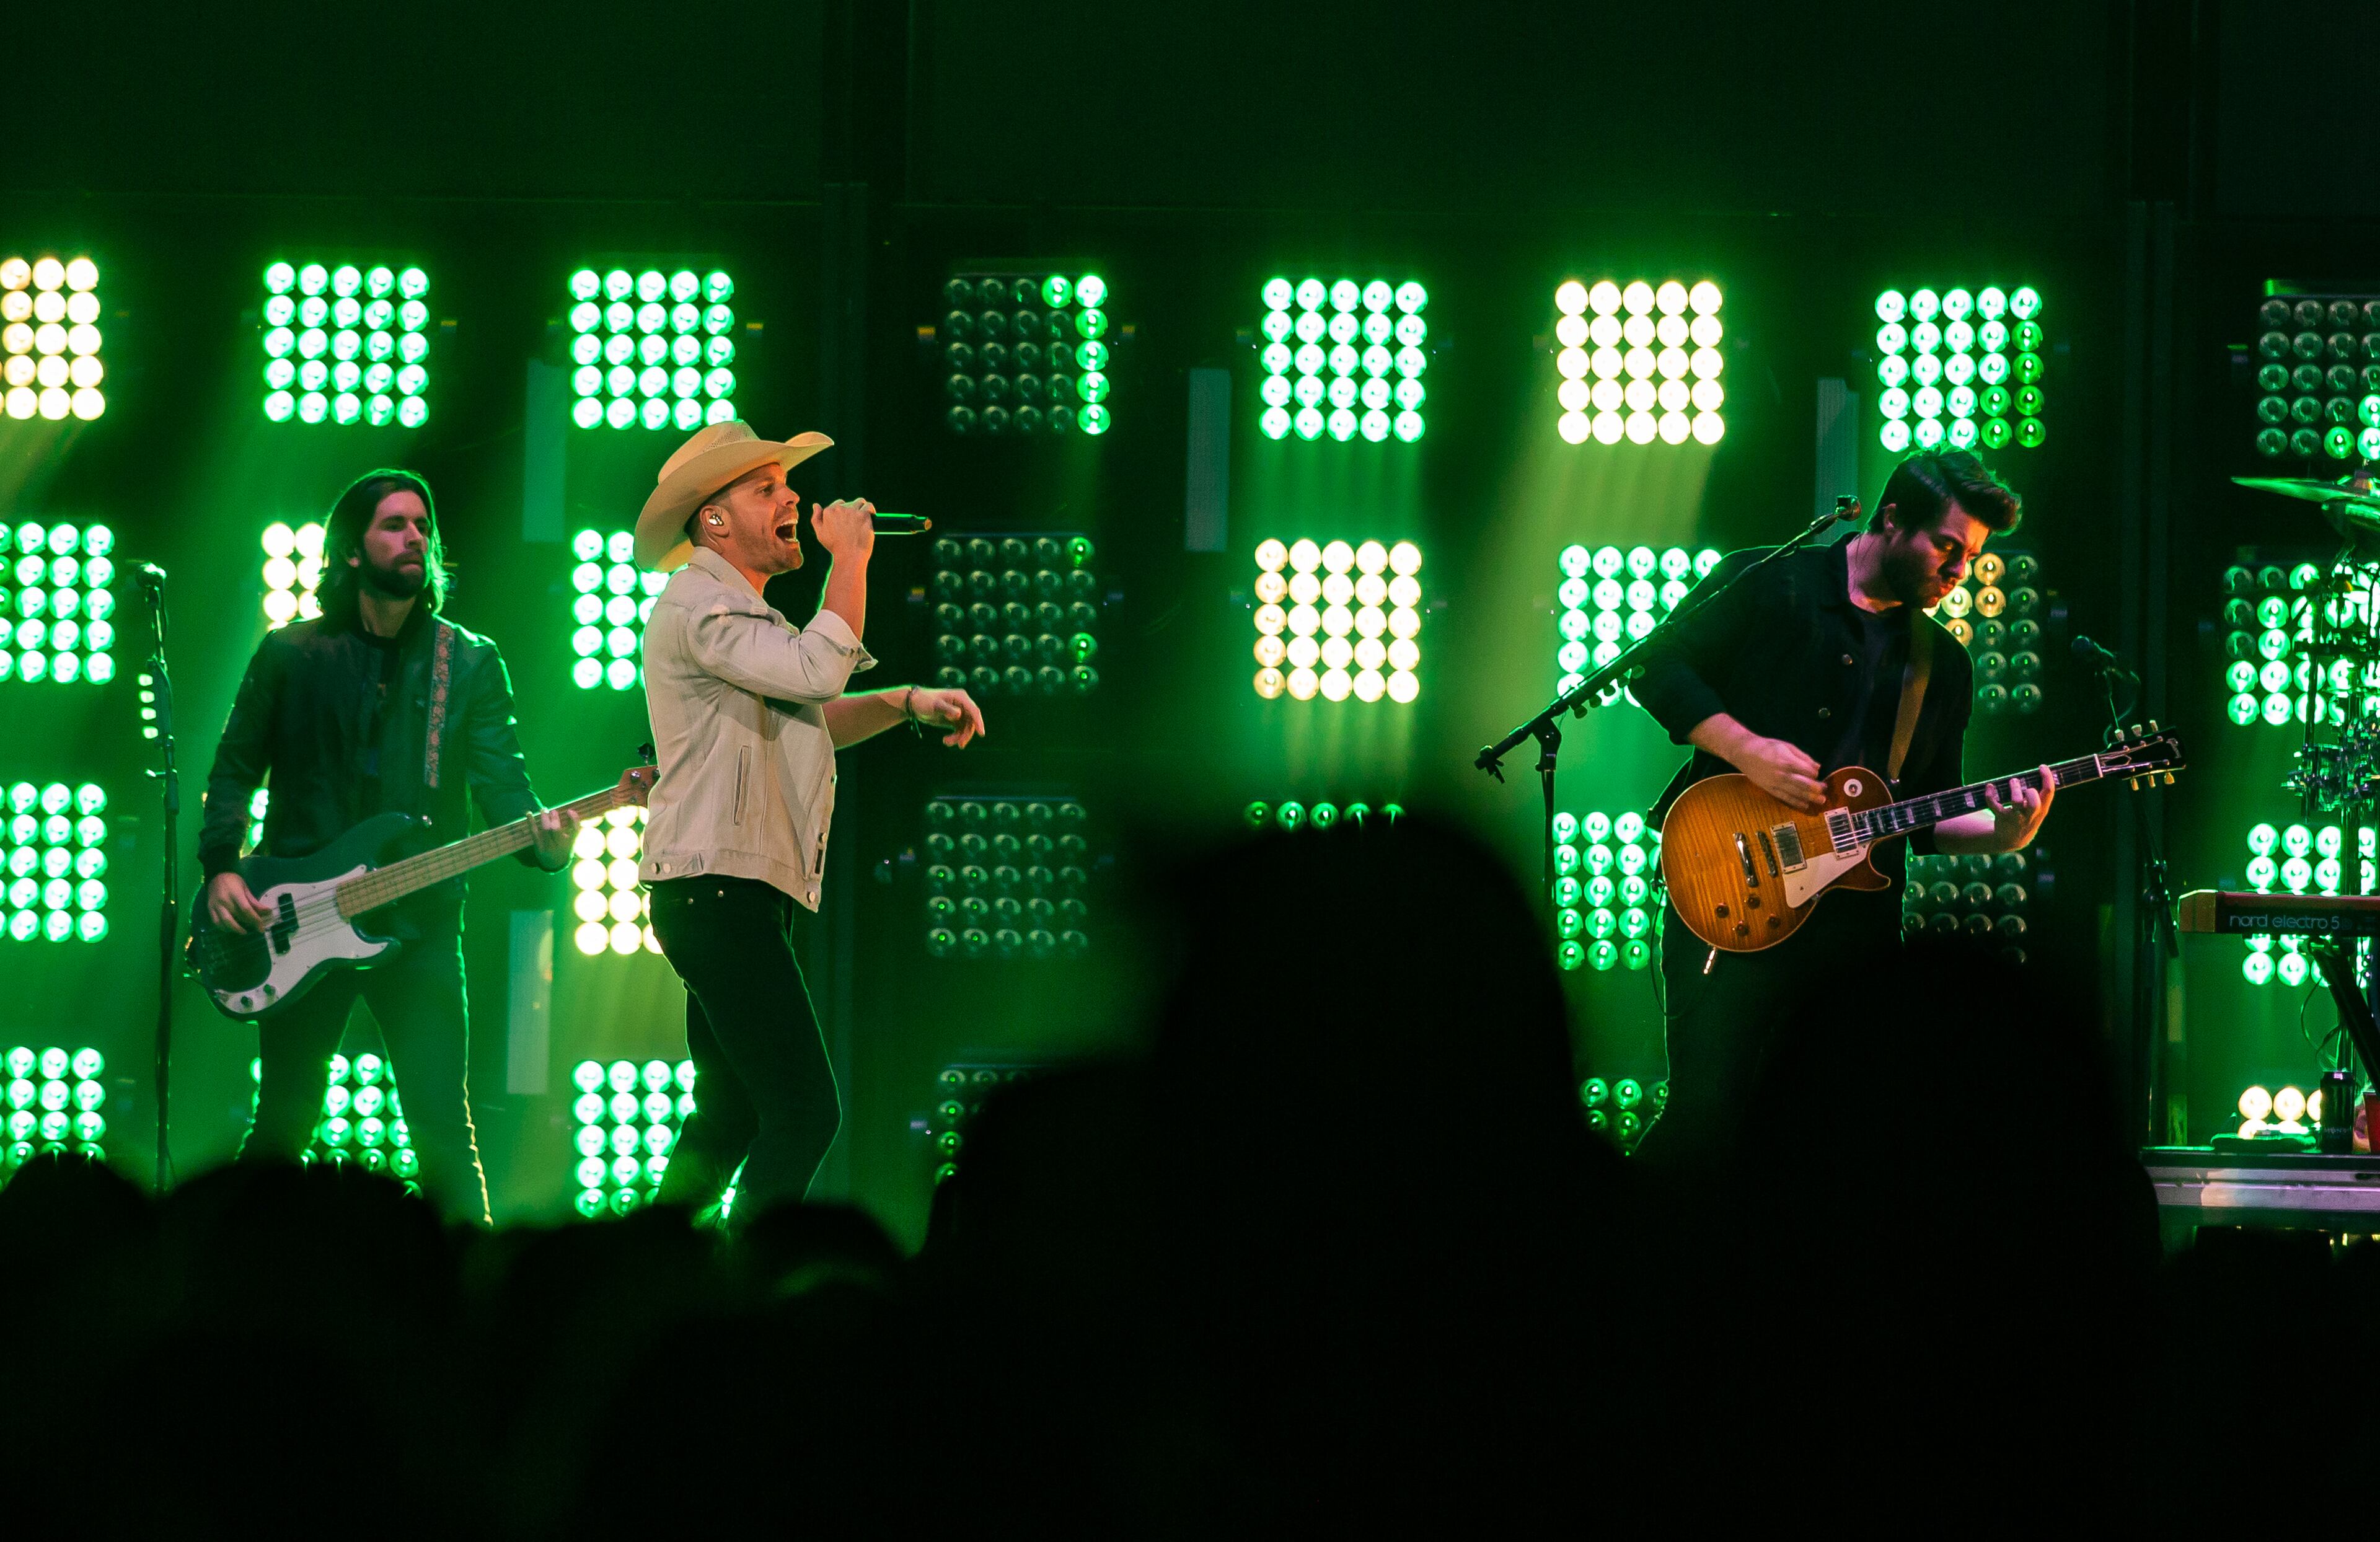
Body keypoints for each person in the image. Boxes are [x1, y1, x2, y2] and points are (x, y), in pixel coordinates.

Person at [1628, 450, 2054, 1161]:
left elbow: (1925, 812)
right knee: (1707, 1115)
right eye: (1947, 547)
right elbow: (1654, 664)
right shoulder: (1770, 581)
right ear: (1892, 519)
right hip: (1728, 884)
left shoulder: (1941, 664)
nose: (1958, 571)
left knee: (1832, 1136)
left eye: (1970, 556)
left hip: (1850, 932)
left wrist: (2003, 835)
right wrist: (1744, 747)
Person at [199, 469, 578, 1223]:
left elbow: (507, 791)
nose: (415, 538)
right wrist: (220, 870)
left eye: (422, 527)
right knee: (281, 1125)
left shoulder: (467, 660)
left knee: (443, 1129)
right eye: (395, 525)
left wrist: (549, 845)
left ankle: (476, 1307)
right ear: (349, 551)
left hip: (423, 923)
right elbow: (234, 770)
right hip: (297, 918)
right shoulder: (289, 654)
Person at [633, 421, 984, 1222]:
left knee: (733, 1116)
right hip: (716, 894)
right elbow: (819, 669)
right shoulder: (701, 606)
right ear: (715, 521)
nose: (793, 495)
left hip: (723, 896)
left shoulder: (739, 616)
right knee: (804, 1112)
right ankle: (741, 1286)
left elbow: (810, 712)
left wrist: (901, 705)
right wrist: (851, 559)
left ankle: (649, 1259)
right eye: (767, 488)